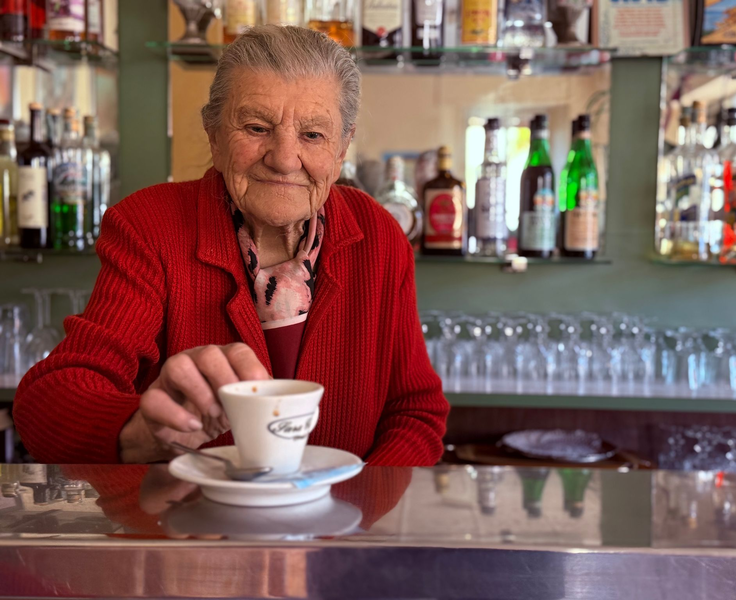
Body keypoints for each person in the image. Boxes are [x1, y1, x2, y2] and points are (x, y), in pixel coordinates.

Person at [13, 26, 449, 465]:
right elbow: (47, 407)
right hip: (186, 509)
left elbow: (415, 413)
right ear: (215, 136)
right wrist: (141, 432)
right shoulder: (151, 226)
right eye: (257, 127)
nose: (284, 159)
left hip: (342, 509)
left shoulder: (379, 235)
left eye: (313, 135)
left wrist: (358, 499)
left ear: (341, 150)